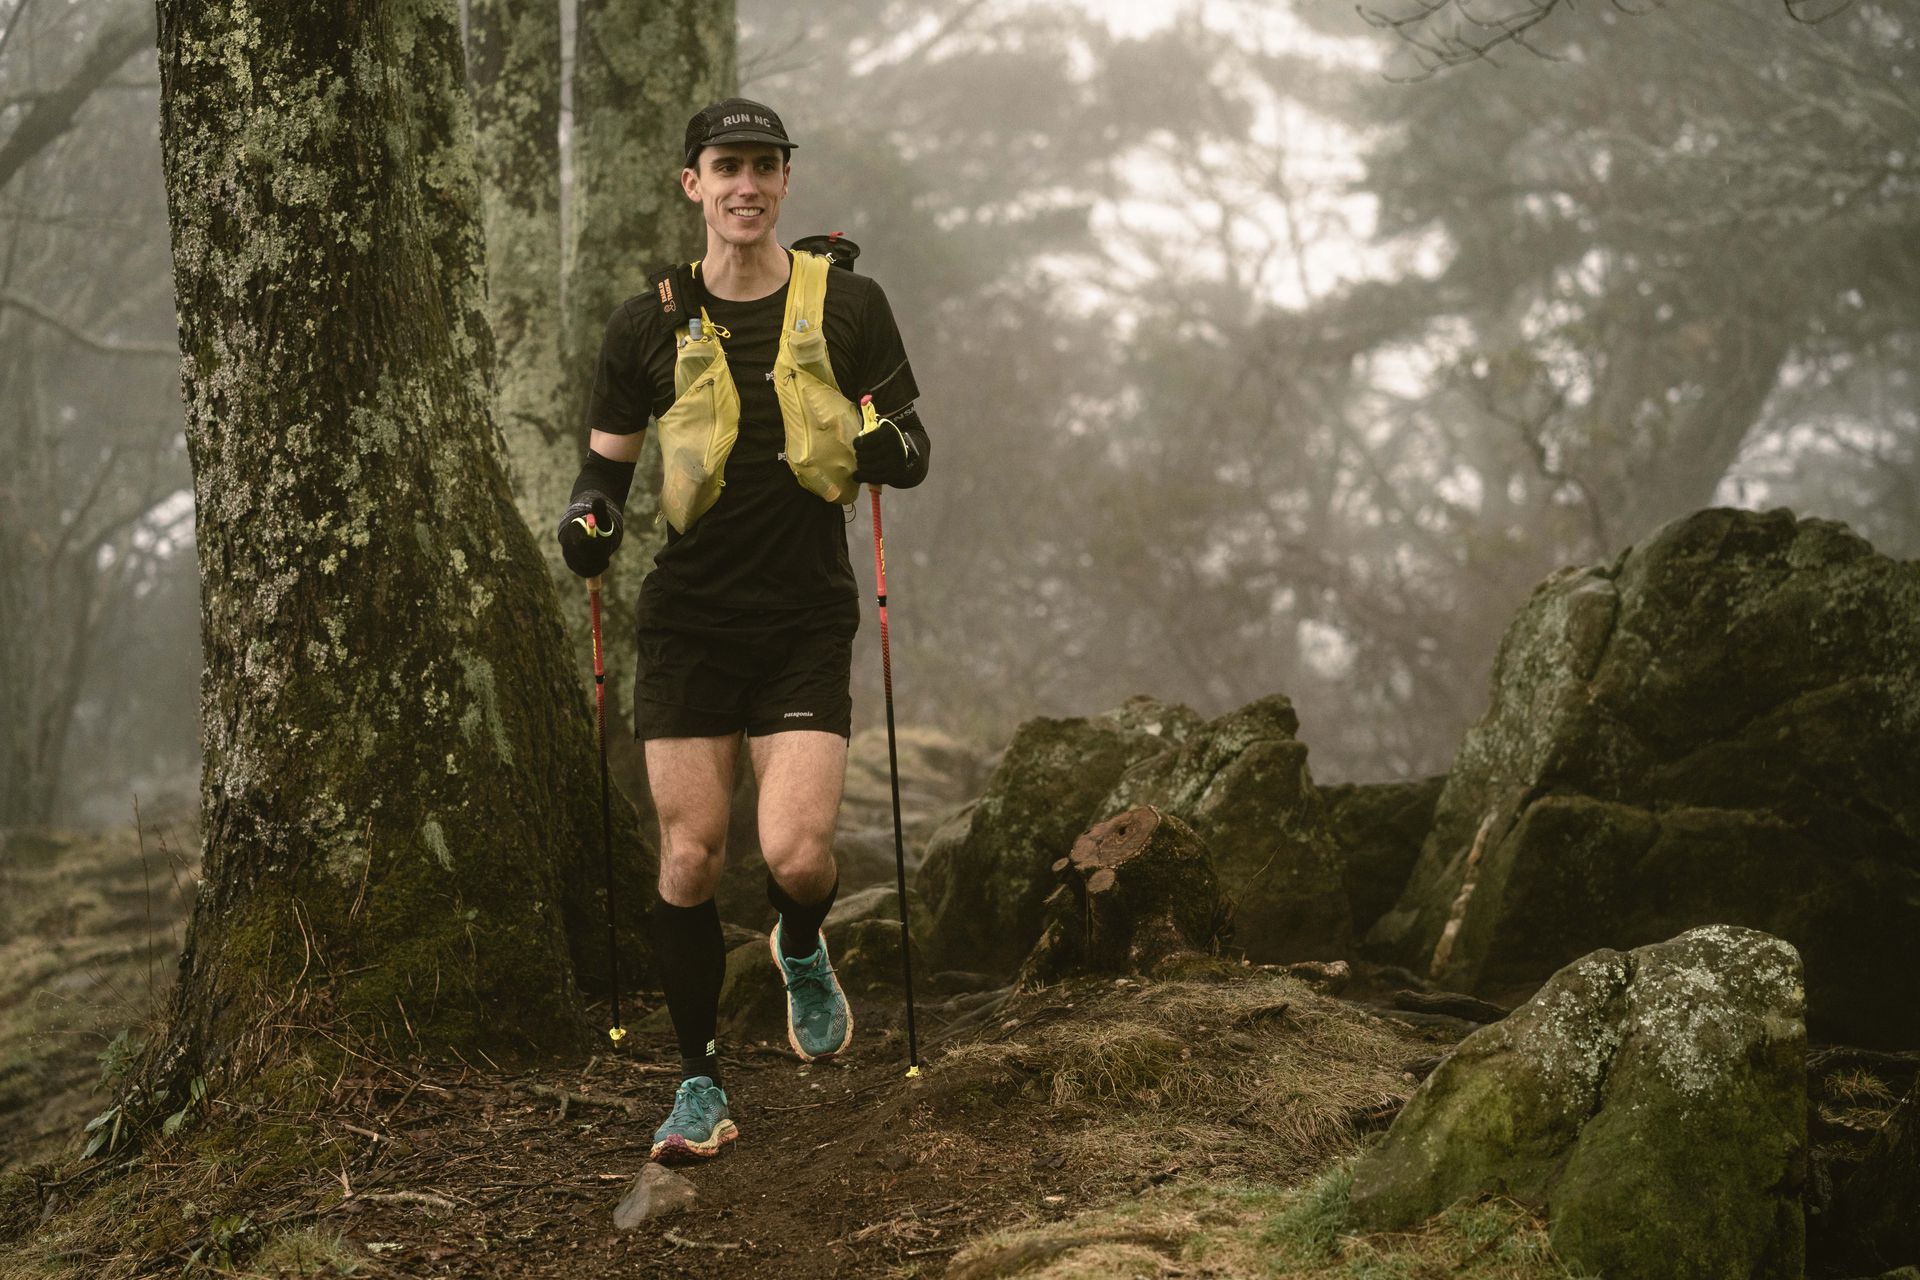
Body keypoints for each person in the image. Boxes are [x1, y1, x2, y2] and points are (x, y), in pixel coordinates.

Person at [554, 98, 930, 1163]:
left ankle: (801, 941)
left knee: (799, 854)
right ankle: (698, 1083)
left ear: (784, 182)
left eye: (765, 166)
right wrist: (589, 524)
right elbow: (605, 472)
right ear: (694, 184)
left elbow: (909, 440)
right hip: (687, 622)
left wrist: (884, 440)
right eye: (727, 166)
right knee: (687, 854)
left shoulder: (850, 304)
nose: (747, 185)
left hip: (805, 614)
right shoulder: (645, 324)